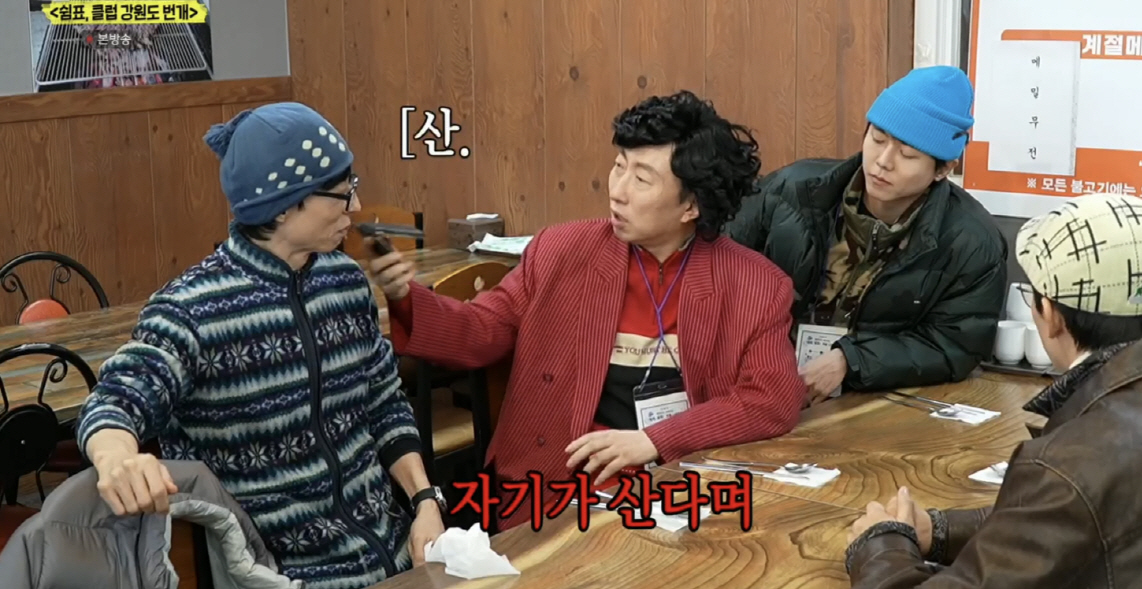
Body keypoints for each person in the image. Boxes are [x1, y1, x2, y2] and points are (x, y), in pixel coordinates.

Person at [369, 90, 807, 531]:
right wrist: (406, 296)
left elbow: (771, 400)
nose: (617, 191)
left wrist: (655, 440)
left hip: (678, 489)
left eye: (642, 179)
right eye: (619, 166)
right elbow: (482, 329)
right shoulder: (561, 251)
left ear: (691, 206)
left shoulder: (754, 284)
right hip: (555, 490)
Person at [74, 102, 443, 589]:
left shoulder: (345, 282)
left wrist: (425, 502)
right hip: (283, 576)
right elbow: (115, 402)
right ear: (283, 205)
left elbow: (384, 402)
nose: (355, 207)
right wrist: (117, 458)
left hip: (396, 553)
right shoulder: (192, 309)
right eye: (341, 193)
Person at [844, 192, 1142, 588]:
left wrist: (880, 545)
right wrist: (941, 530)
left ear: (1050, 316)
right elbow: (1088, 517)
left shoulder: (1069, 464)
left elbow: (1075, 501)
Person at [725, 65, 1007, 403]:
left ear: (943, 169)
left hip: (865, 399)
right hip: (752, 384)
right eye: (877, 138)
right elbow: (716, 273)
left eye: (908, 153)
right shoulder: (789, 192)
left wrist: (852, 360)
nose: (883, 161)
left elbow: (954, 345)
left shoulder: (971, 242)